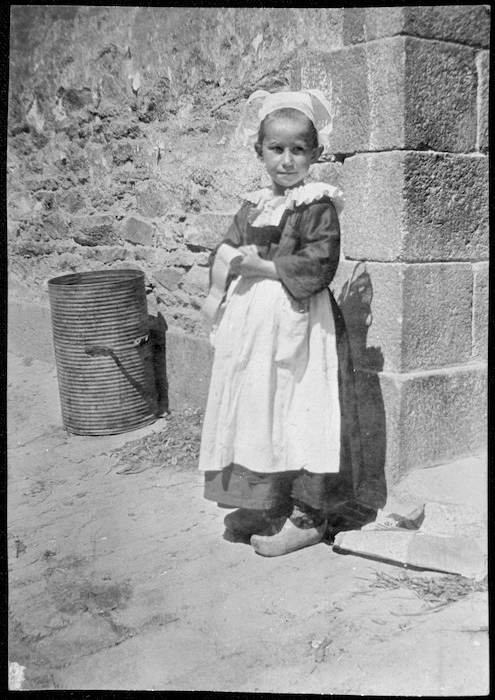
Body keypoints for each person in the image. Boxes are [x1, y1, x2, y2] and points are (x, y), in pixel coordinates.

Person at [198, 89, 364, 557]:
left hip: (301, 323)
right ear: (260, 152)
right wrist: (230, 262)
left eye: (298, 150)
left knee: (303, 409)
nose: (287, 160)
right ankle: (261, 502)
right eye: (276, 149)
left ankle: (308, 514)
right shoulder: (253, 206)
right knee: (258, 408)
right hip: (253, 329)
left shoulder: (316, 204)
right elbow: (226, 249)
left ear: (315, 154)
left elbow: (319, 264)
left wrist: (265, 267)